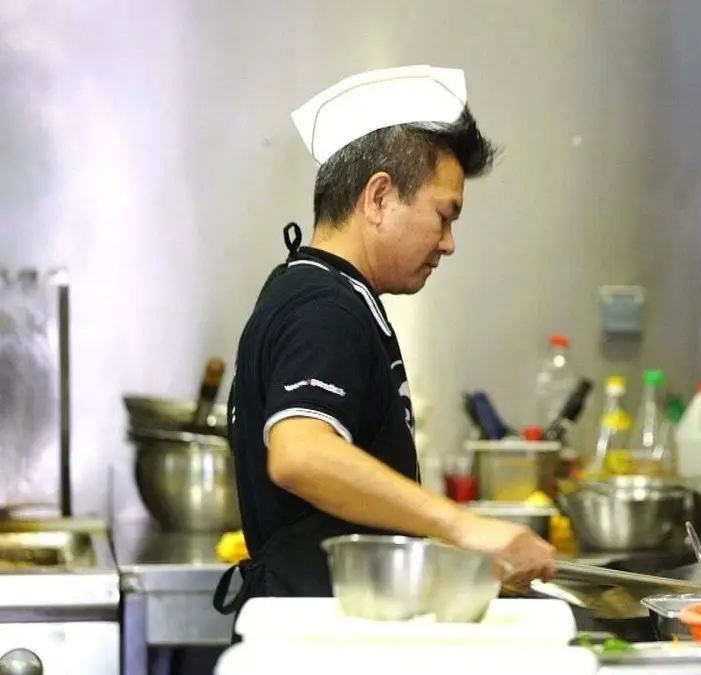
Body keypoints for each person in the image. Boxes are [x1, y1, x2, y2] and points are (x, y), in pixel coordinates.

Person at [213, 66, 557, 620]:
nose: (448, 243)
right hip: (316, 641)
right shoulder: (323, 306)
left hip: (329, 630)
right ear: (378, 197)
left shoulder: (324, 292)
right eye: (444, 216)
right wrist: (462, 526)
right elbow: (300, 454)